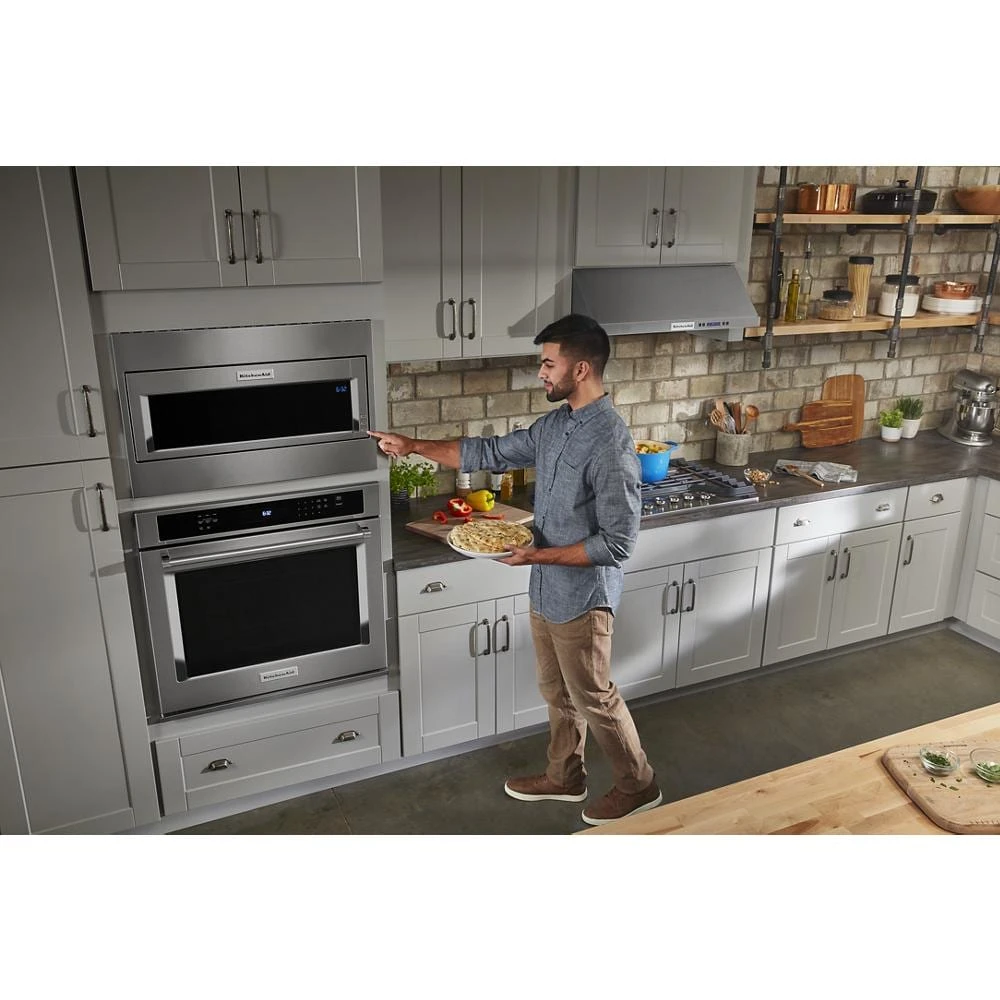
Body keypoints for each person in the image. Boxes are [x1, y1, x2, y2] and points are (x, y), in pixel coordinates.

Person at [370, 313, 661, 826]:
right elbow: (489, 452)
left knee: (593, 697)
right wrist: (412, 445)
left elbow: (618, 543)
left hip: (583, 597)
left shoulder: (610, 443)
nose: (541, 373)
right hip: (546, 588)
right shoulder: (556, 425)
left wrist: (536, 555)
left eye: (549, 364)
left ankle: (639, 785)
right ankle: (565, 776)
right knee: (556, 692)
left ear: (581, 369)